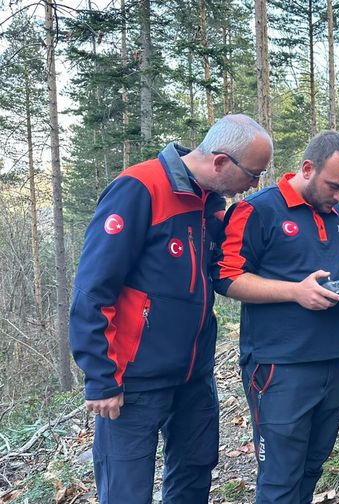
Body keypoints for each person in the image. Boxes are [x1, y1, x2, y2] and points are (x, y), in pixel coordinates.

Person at [69, 114, 273, 504]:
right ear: (220, 161)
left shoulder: (209, 203)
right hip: (134, 381)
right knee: (127, 492)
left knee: (194, 474)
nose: (254, 185)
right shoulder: (139, 189)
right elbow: (94, 288)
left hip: (194, 375)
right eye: (252, 174)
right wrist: (100, 376)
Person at [213, 131, 339, 504]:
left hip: (333, 358)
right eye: (333, 186)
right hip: (279, 366)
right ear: (308, 169)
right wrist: (296, 291)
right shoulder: (258, 210)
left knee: (313, 464)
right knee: (280, 478)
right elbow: (227, 277)